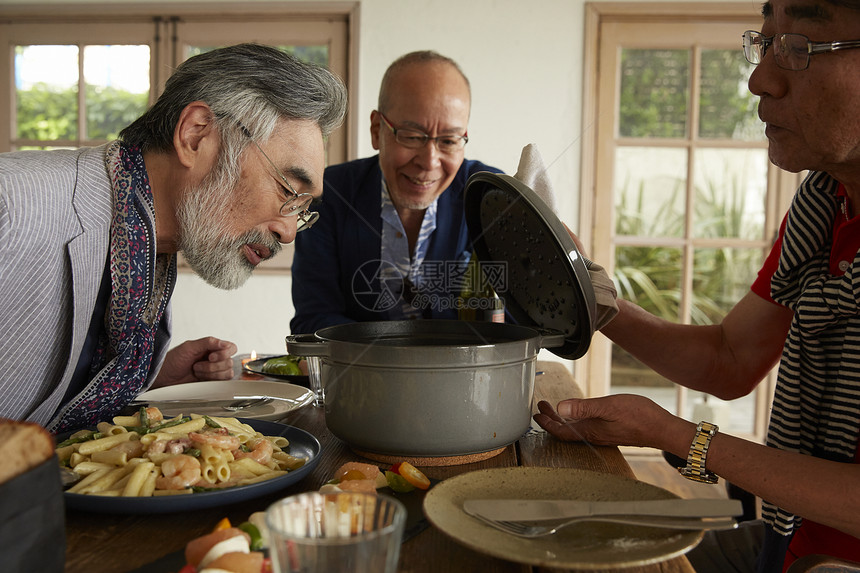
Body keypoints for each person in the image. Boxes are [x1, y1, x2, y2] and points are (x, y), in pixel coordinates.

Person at [534, 1, 860, 571]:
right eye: (765, 42)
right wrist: (593, 297)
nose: (759, 78)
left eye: (800, 46)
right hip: (792, 541)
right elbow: (730, 358)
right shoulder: (824, 203)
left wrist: (670, 432)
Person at [0, 43, 347, 434]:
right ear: (196, 135)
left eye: (301, 208)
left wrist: (152, 379)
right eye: (287, 189)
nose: (287, 231)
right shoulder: (10, 208)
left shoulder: (150, 242)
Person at [290, 50, 501, 334]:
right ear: (377, 130)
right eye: (412, 137)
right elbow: (314, 321)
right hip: (360, 377)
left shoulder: (493, 196)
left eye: (449, 141)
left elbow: (515, 323)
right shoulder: (330, 195)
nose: (429, 162)